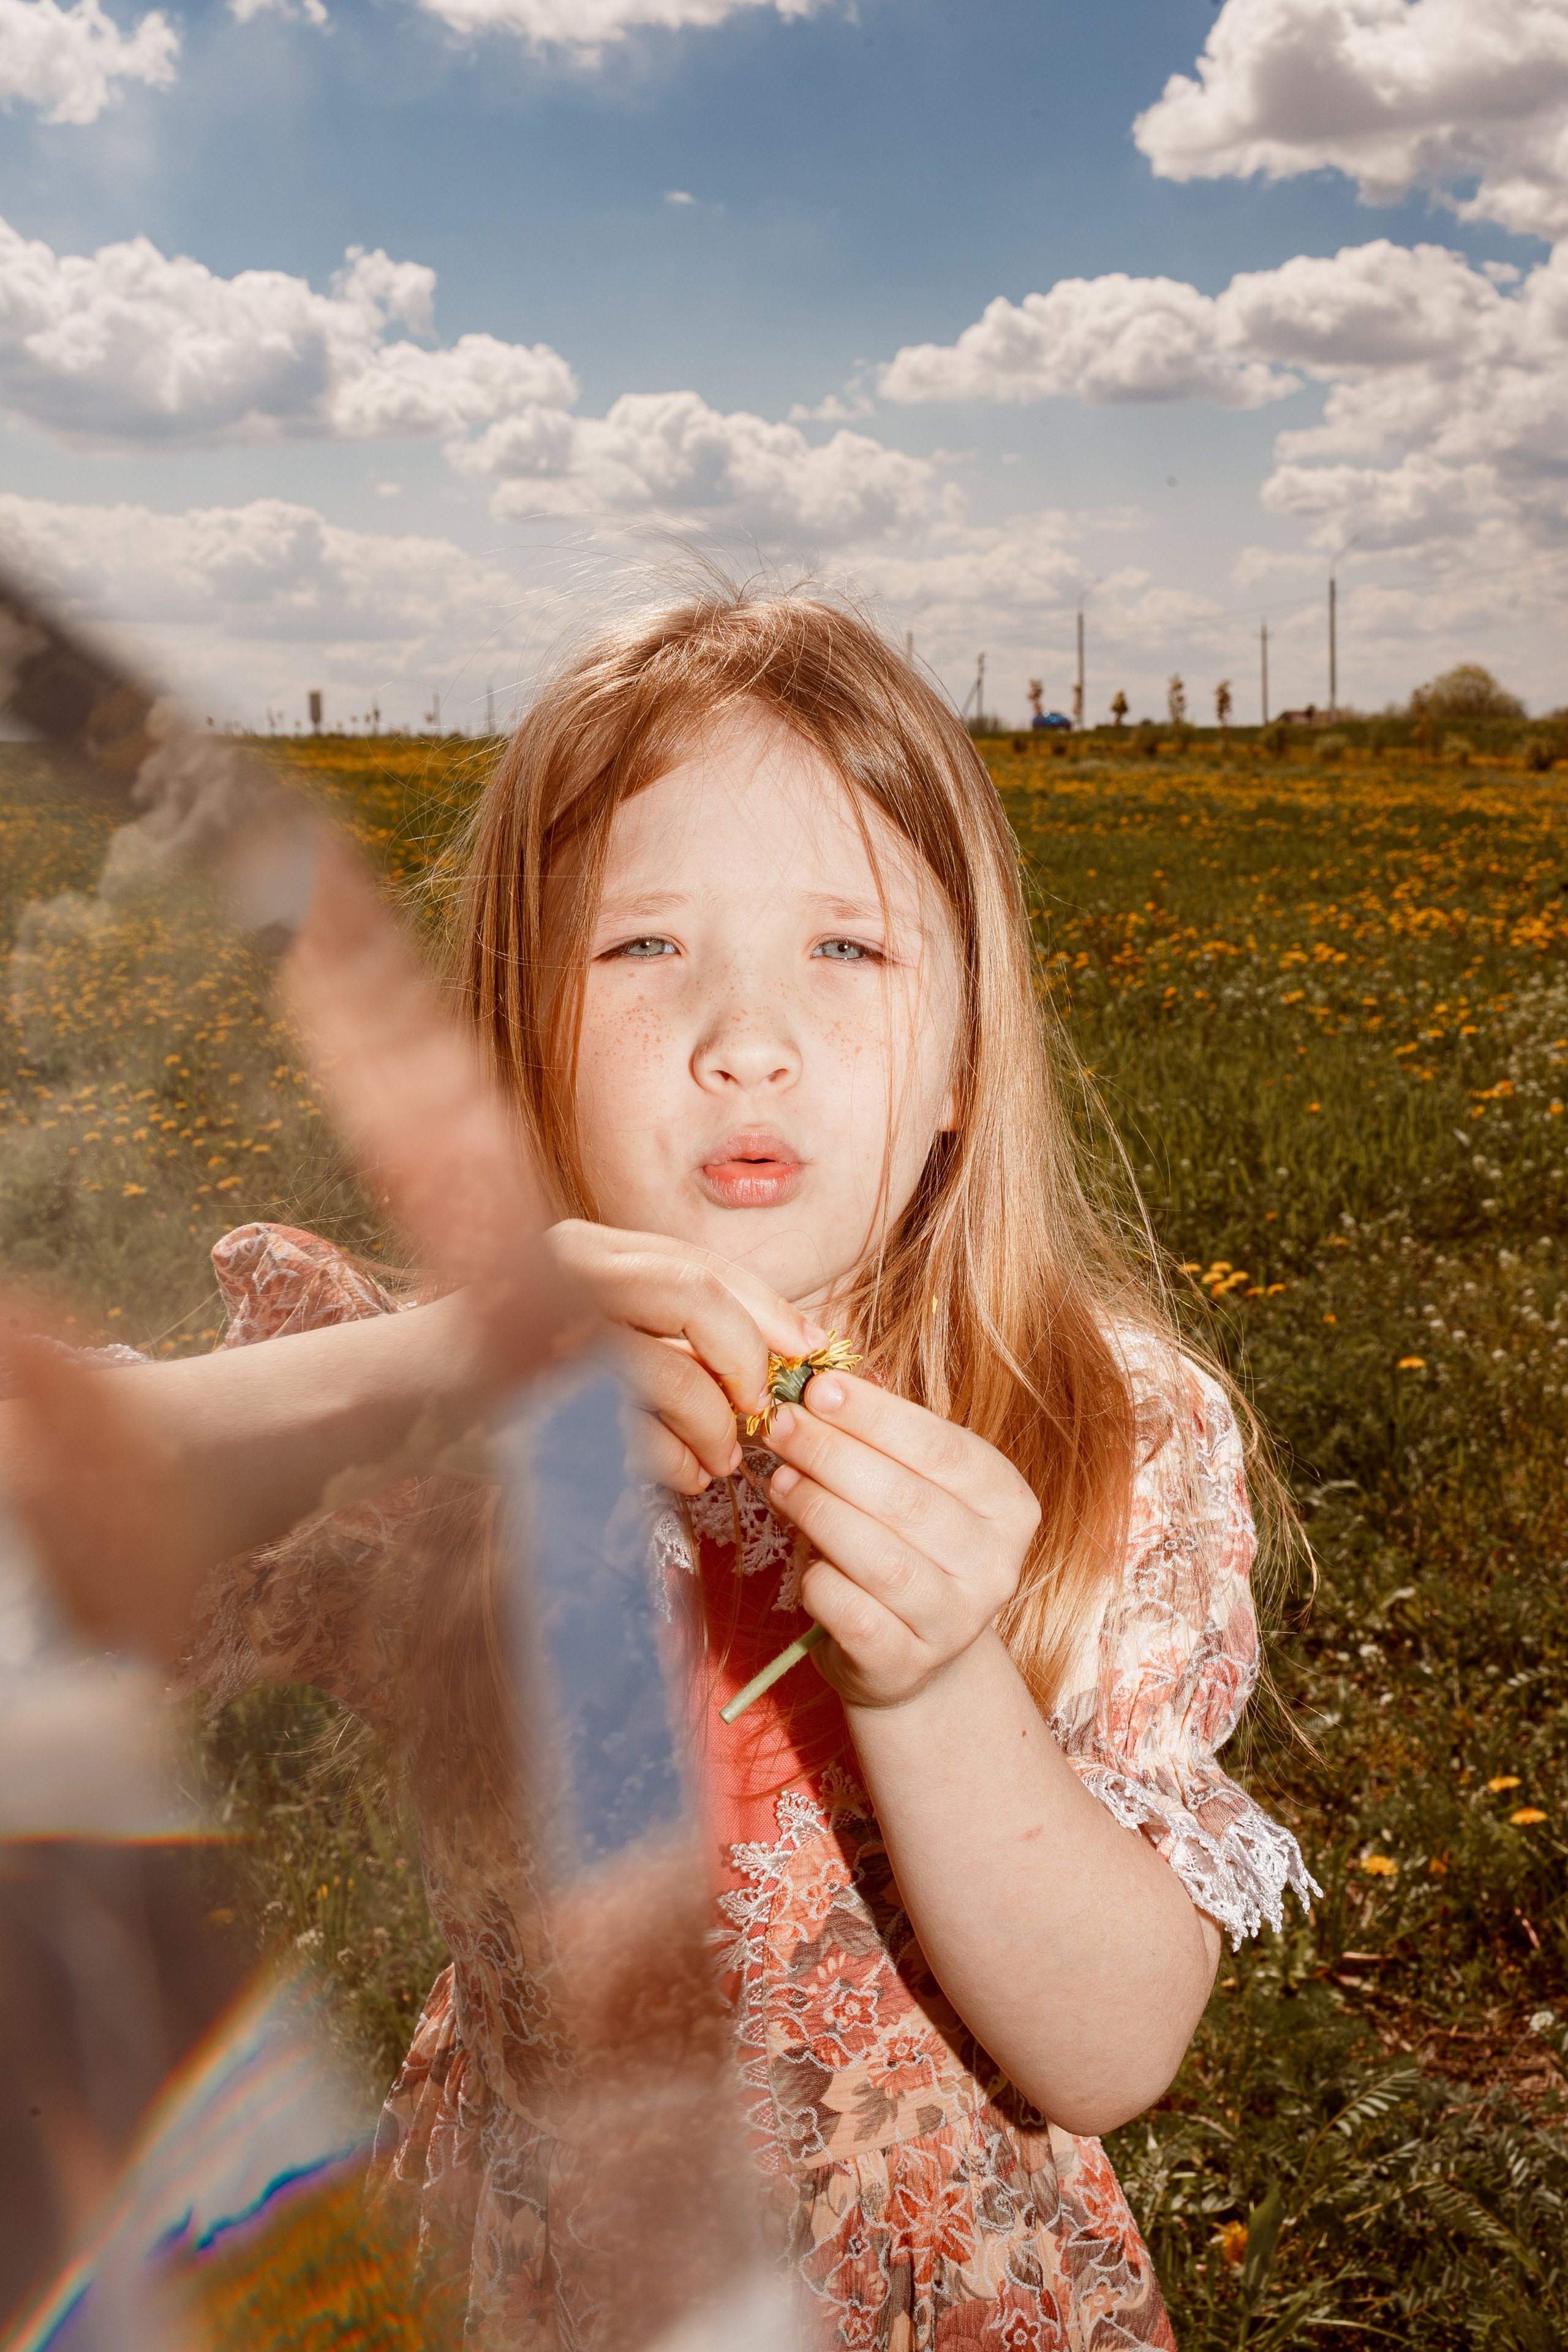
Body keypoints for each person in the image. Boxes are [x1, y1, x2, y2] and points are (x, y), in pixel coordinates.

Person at [4, 582, 1317, 2348]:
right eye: (643, 948)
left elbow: (1113, 2045)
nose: (745, 1038)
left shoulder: (1092, 1424)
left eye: (847, 949)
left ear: (960, 1062)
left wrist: (936, 1678)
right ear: (516, 1037)